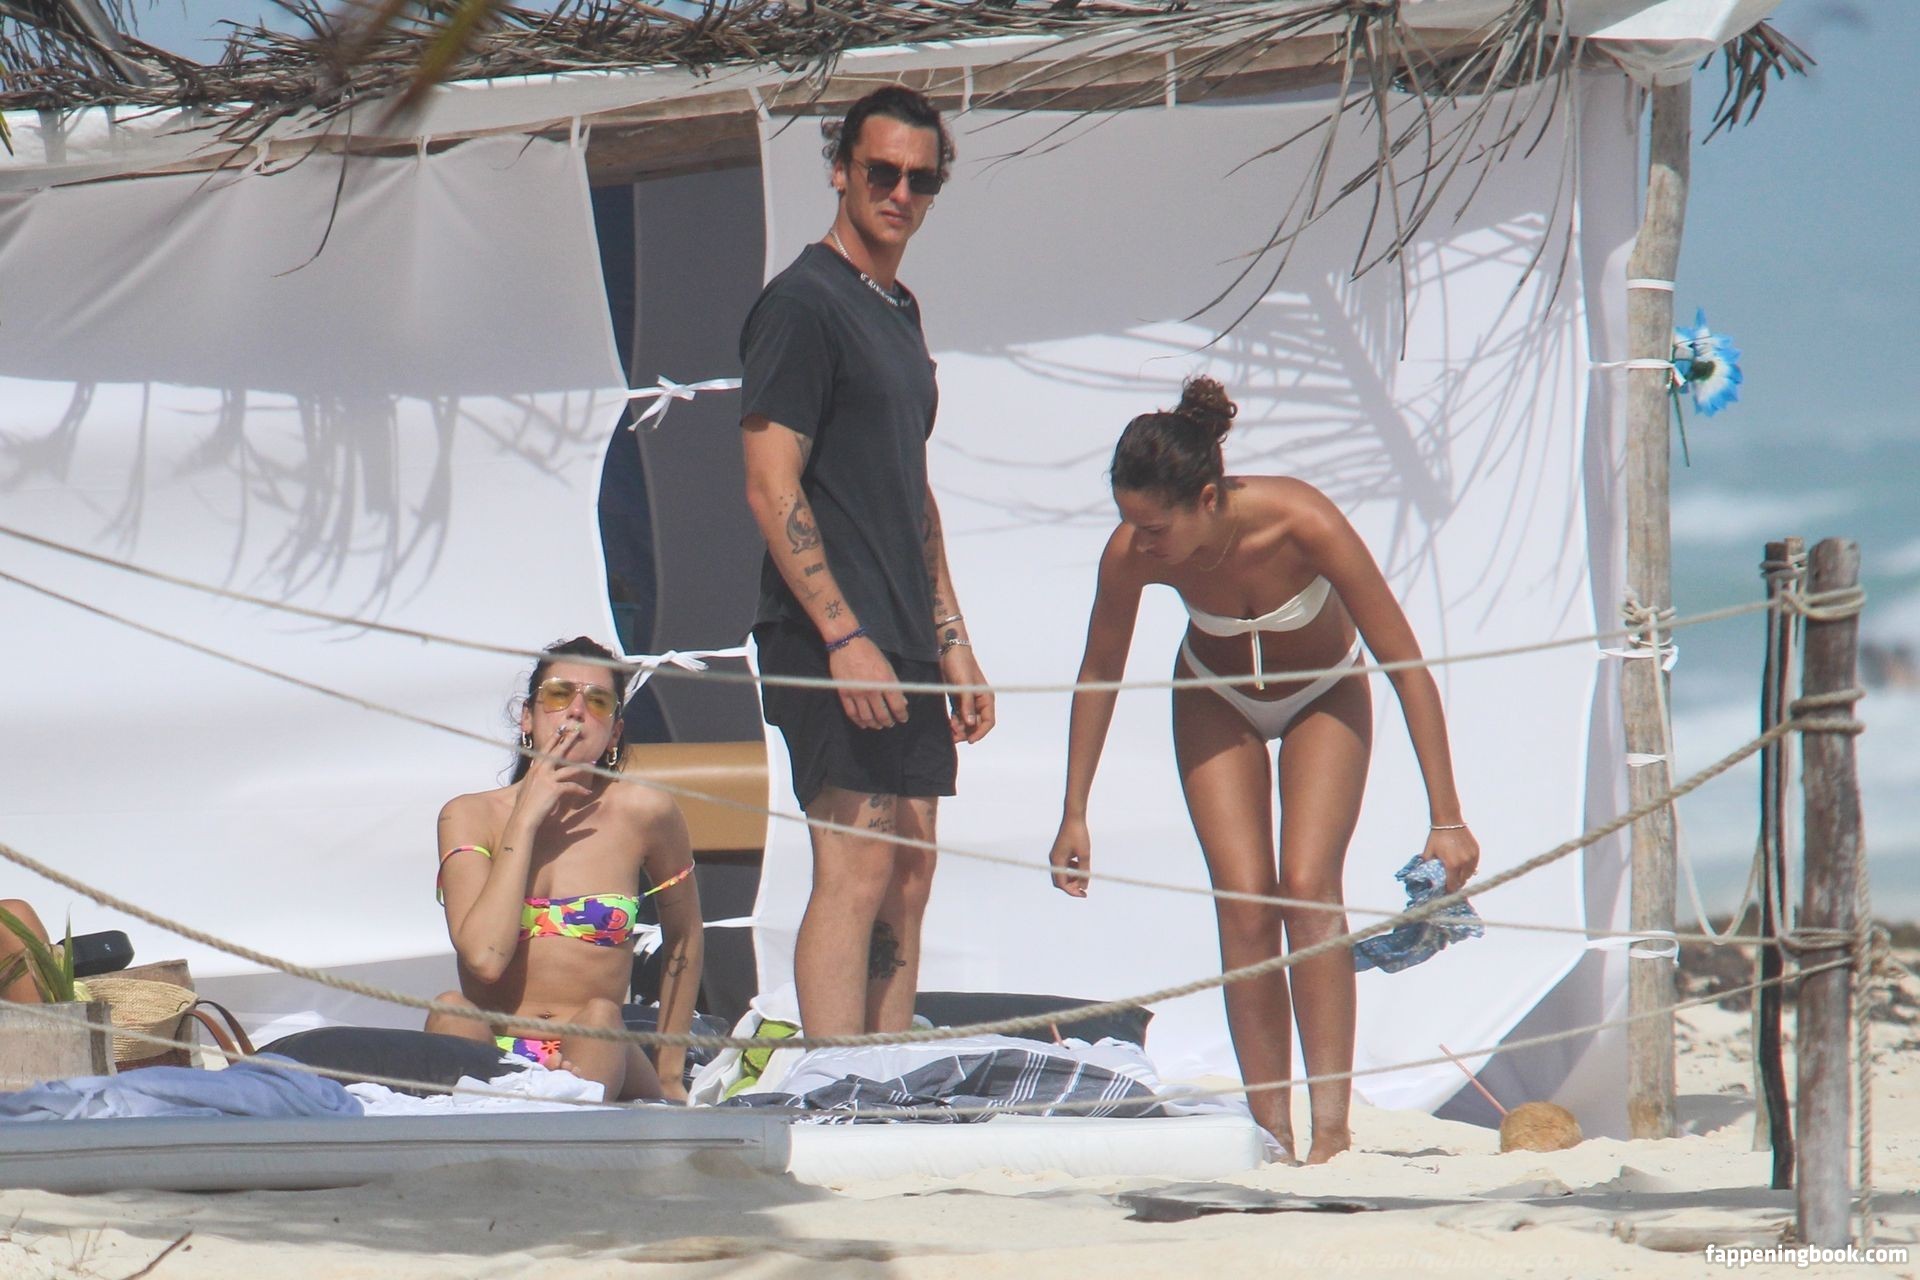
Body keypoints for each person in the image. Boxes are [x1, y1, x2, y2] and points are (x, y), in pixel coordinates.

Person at [1046, 377, 1480, 1164]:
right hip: (1214, 697)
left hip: (1324, 694)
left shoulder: (1302, 521)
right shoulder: (1132, 553)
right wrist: (1075, 810)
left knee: (1307, 886)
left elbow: (1405, 664)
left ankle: (1332, 1133)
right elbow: (1099, 672)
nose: (1140, 541)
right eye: (1129, 522)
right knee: (1245, 902)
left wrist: (1446, 817)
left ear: (1208, 498)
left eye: (1154, 526)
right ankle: (1271, 1133)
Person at [739, 85, 995, 1038]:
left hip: (904, 629)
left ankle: (886, 1080)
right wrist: (843, 636)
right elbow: (770, 483)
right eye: (882, 172)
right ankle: (837, 1085)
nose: (900, 193)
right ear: (841, 170)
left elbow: (909, 488)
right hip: (829, 630)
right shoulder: (802, 304)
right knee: (856, 862)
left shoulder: (897, 309)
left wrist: (951, 637)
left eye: (921, 180)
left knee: (910, 869)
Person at [429, 637, 703, 1101]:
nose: (576, 711)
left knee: (600, 1016)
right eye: (559, 694)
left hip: (595, 1044)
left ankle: (571, 1118)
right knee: (450, 1010)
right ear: (528, 717)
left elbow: (686, 933)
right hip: (494, 1043)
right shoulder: (468, 815)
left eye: (598, 702)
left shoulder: (645, 812)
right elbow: (485, 959)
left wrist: (670, 1073)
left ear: (614, 733)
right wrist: (525, 818)